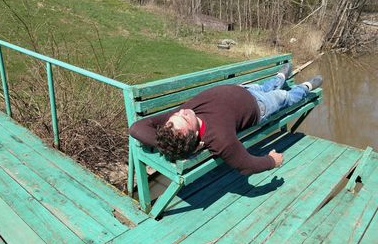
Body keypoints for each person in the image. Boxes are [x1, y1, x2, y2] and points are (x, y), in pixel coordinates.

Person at [129, 64, 323, 175]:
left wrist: (167, 143)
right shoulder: (220, 138)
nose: (182, 112)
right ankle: (305, 88)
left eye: (176, 117)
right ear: (195, 134)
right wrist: (272, 161)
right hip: (260, 106)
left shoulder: (177, 123)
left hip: (245, 89)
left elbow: (136, 127)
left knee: (266, 85)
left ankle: (281, 76)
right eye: (184, 119)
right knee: (285, 97)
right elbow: (246, 165)